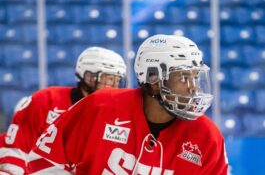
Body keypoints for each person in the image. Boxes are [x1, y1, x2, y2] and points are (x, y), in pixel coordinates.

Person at [28, 34, 228, 174]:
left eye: (195, 78)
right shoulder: (100, 107)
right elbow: (43, 160)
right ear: (155, 80)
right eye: (184, 78)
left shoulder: (207, 137)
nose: (194, 88)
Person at [0, 47, 127, 175]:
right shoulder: (46, 100)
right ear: (89, 77)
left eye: (117, 80)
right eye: (108, 79)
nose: (114, 86)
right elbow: (16, 148)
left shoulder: (118, 118)